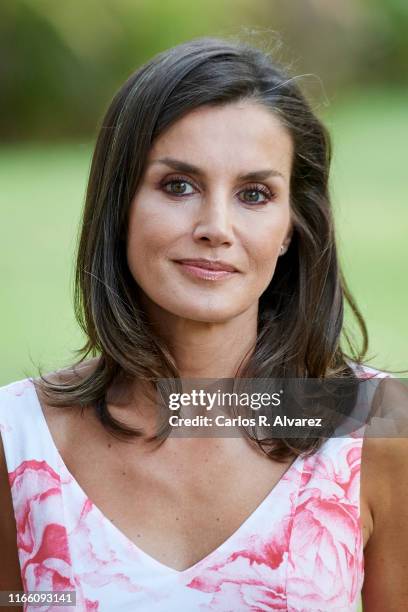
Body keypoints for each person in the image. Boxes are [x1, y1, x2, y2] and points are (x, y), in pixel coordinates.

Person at [0, 37, 407, 612]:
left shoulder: (380, 431)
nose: (216, 226)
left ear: (291, 227)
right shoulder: (18, 441)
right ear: (120, 206)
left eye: (255, 194)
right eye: (179, 186)